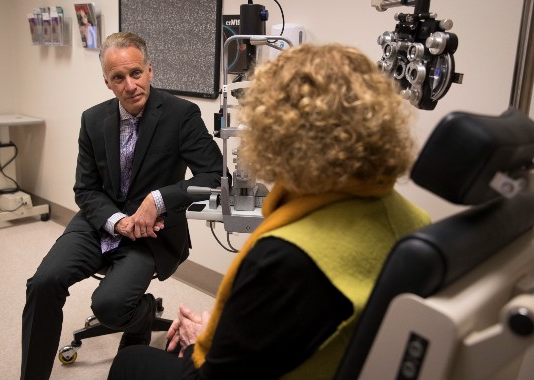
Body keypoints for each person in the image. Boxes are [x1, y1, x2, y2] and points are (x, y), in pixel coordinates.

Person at [108, 43, 431, 380]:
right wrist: (227, 332)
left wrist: (200, 341)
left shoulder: (283, 258)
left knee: (131, 362)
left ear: (277, 133)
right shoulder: (415, 223)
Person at [20, 32, 224, 380]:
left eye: (136, 73)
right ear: (107, 82)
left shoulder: (181, 115)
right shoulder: (93, 120)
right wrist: (117, 221)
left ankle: (141, 314)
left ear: (150, 71)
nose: (130, 85)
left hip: (152, 235)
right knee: (42, 283)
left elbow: (215, 175)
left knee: (110, 306)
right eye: (118, 78)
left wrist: (158, 200)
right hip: (99, 223)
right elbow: (85, 189)